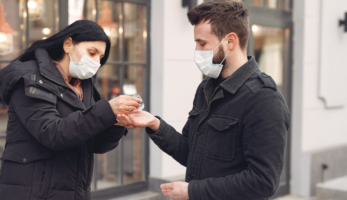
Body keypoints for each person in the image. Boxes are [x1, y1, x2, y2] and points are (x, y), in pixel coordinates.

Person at [116, 1, 291, 199]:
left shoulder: (263, 98)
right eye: (196, 43)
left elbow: (263, 182)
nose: (197, 51)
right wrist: (154, 124)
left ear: (230, 41)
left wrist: (193, 191)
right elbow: (190, 153)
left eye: (202, 43)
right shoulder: (206, 89)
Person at [0, 20, 141, 200]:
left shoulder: (84, 86)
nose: (95, 62)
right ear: (68, 44)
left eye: (100, 58)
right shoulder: (30, 78)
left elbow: (95, 144)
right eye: (91, 52)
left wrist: (115, 122)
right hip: (32, 191)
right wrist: (106, 110)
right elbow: (52, 133)